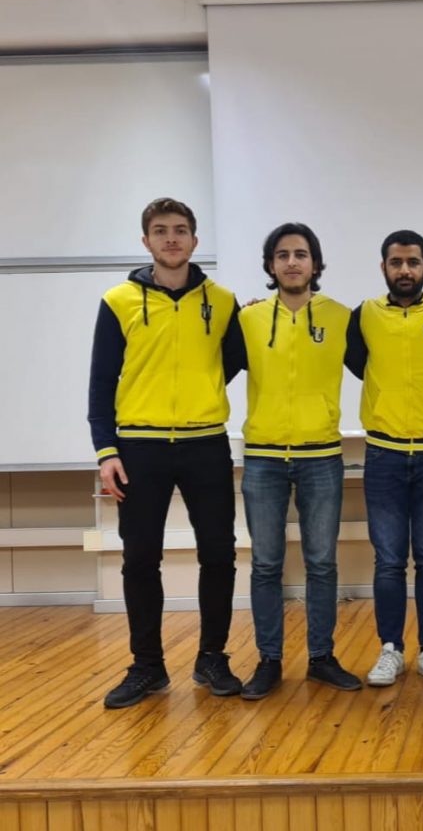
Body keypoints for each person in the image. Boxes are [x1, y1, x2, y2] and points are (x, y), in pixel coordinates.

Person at [88, 197, 245, 709]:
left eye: (180, 230)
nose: (171, 238)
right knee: (139, 559)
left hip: (206, 443)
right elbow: (101, 381)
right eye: (161, 230)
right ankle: (148, 667)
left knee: (219, 554)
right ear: (146, 241)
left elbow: (230, 364)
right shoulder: (118, 301)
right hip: (139, 447)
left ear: (195, 241)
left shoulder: (223, 302)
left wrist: (200, 393)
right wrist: (106, 449)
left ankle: (212, 658)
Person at [237, 223, 361, 700]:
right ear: (271, 265)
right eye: (283, 255)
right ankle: (269, 661)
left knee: (322, 563)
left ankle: (321, 658)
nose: (292, 262)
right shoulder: (247, 320)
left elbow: (387, 362)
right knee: (266, 565)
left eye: (301, 254)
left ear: (315, 263)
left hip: (321, 458)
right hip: (263, 459)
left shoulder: (342, 318)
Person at [344, 230, 423, 688]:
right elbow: (358, 364)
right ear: (384, 268)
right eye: (396, 263)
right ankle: (390, 648)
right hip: (384, 454)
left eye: (413, 262)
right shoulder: (364, 316)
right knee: (389, 560)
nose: (405, 270)